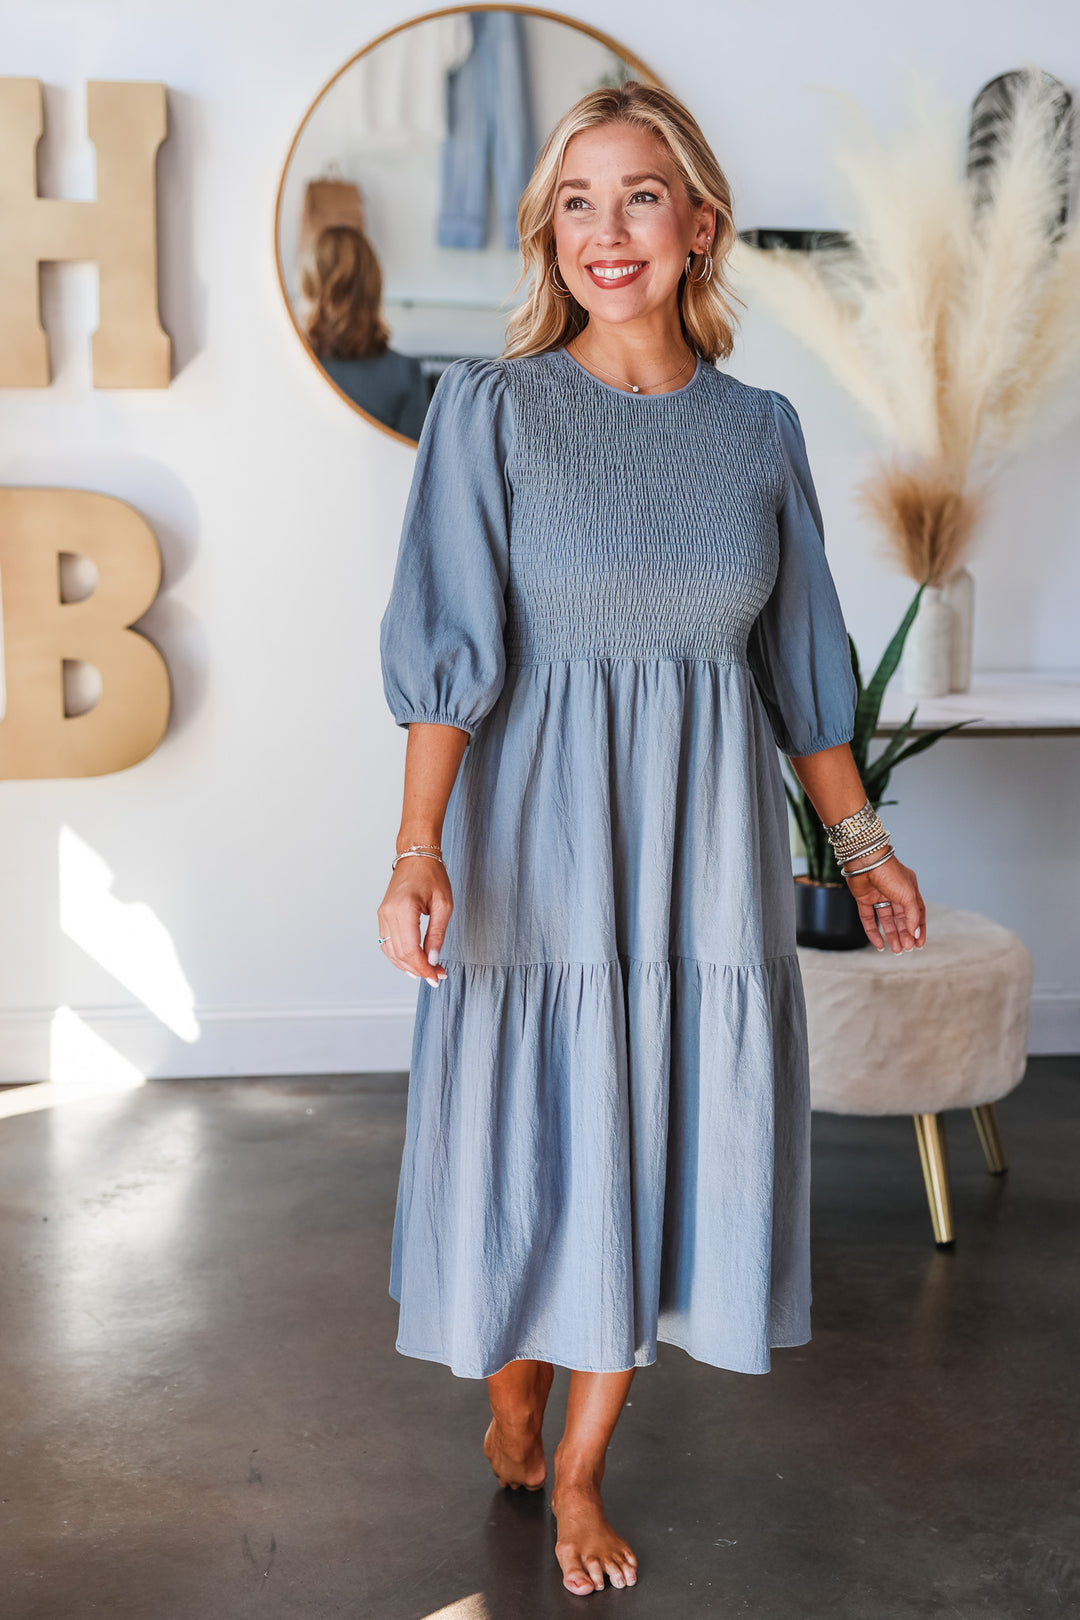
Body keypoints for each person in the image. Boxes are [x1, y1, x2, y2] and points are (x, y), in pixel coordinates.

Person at [376, 81, 926, 1597]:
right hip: (531, 845)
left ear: (699, 224)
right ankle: (516, 1397)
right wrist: (416, 850)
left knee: (661, 1129)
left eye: (638, 199)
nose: (606, 234)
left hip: (701, 850)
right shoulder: (491, 410)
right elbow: (448, 652)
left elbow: (803, 673)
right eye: (576, 202)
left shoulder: (759, 432)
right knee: (537, 1156)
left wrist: (863, 848)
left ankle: (580, 1479)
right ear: (549, 232)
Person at [301, 224, 430, 440]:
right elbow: (413, 467)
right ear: (373, 288)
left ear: (308, 287)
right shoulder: (406, 374)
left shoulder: (291, 365)